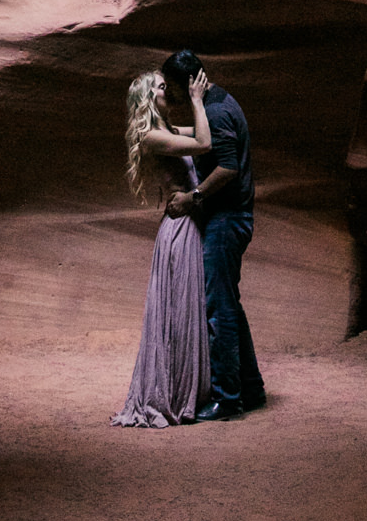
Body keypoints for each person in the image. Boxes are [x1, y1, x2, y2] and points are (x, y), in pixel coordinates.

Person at [161, 49, 266, 422]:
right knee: (229, 306)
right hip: (231, 217)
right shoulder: (219, 101)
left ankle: (228, 398)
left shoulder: (217, 111)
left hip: (226, 219)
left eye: (172, 86)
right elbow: (204, 140)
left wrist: (193, 198)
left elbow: (227, 167)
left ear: (190, 84)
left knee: (219, 309)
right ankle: (250, 388)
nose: (168, 94)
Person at [110, 66, 214, 427]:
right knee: (181, 310)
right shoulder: (153, 136)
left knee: (188, 309)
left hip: (189, 222)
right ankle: (173, 395)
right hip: (180, 228)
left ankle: (193, 391)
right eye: (159, 86)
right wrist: (198, 101)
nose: (165, 89)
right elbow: (203, 143)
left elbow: (206, 131)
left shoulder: (167, 130)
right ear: (146, 99)